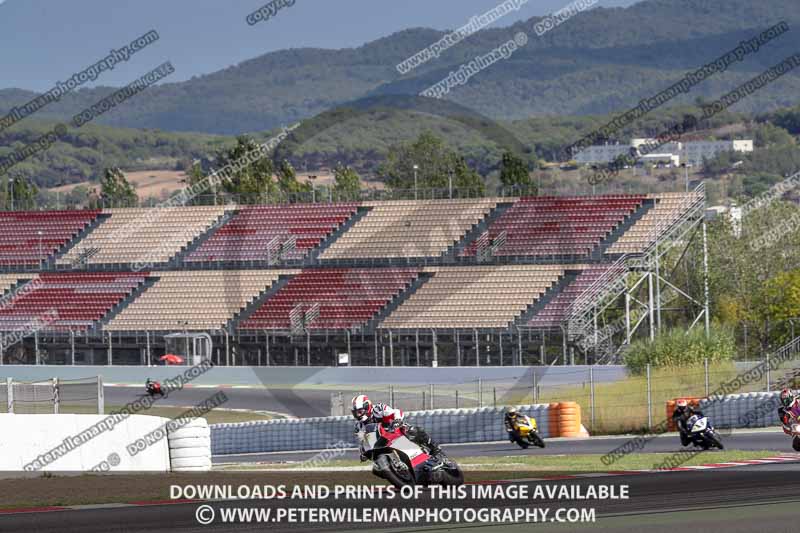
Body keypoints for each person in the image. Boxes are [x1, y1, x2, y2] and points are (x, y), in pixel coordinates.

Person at [351, 394, 442, 459]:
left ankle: (434, 448)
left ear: (367, 407)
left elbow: (396, 412)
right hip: (380, 443)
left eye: (360, 411)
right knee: (377, 465)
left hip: (394, 430)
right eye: (356, 413)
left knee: (411, 430)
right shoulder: (359, 426)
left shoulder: (378, 409)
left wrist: (397, 420)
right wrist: (363, 453)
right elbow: (362, 442)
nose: (358, 415)